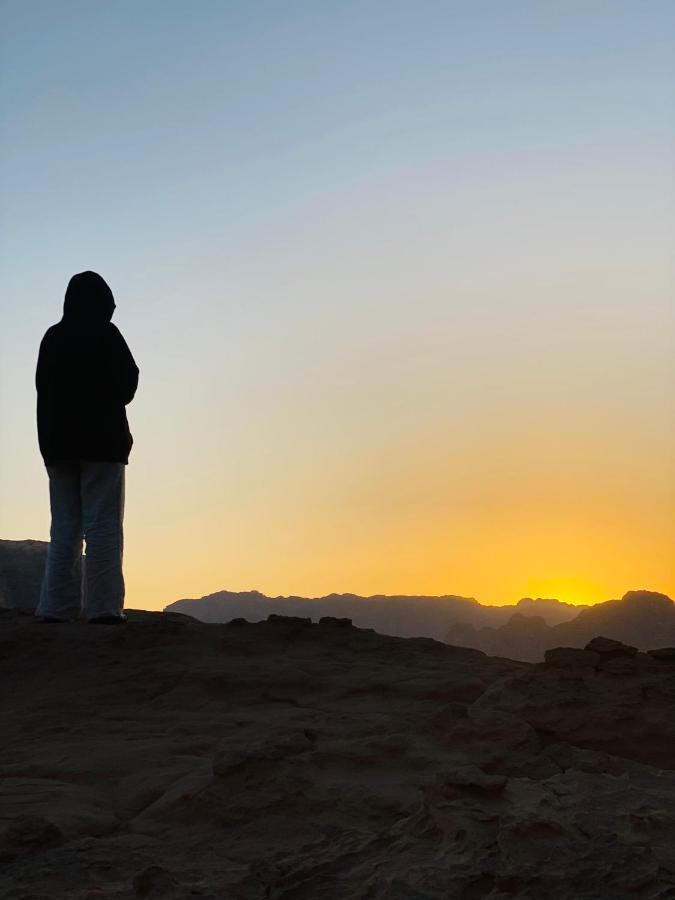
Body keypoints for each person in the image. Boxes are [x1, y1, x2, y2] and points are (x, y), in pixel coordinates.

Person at [35, 271, 139, 624]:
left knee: (63, 526)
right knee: (103, 525)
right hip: (103, 446)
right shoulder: (107, 335)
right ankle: (103, 609)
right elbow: (128, 384)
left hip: (58, 447)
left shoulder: (53, 337)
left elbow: (42, 390)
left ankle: (55, 608)